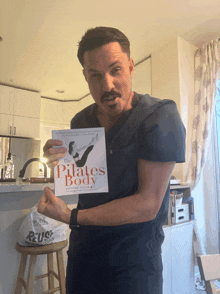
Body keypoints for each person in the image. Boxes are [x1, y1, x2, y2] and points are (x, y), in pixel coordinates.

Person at [38, 26, 186, 294]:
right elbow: (80, 185)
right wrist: (56, 168)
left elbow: (147, 205)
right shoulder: (80, 121)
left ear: (130, 67)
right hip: (83, 258)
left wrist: (71, 216)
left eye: (115, 70)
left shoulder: (160, 116)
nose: (107, 85)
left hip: (134, 266)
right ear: (85, 76)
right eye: (95, 75)